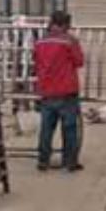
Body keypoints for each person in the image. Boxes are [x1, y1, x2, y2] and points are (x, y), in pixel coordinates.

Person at [34, 10, 84, 172]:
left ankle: (43, 161)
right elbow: (79, 61)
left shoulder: (40, 42)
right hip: (66, 90)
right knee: (69, 127)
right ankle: (69, 162)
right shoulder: (69, 41)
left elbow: (35, 61)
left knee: (46, 128)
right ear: (65, 24)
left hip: (46, 91)